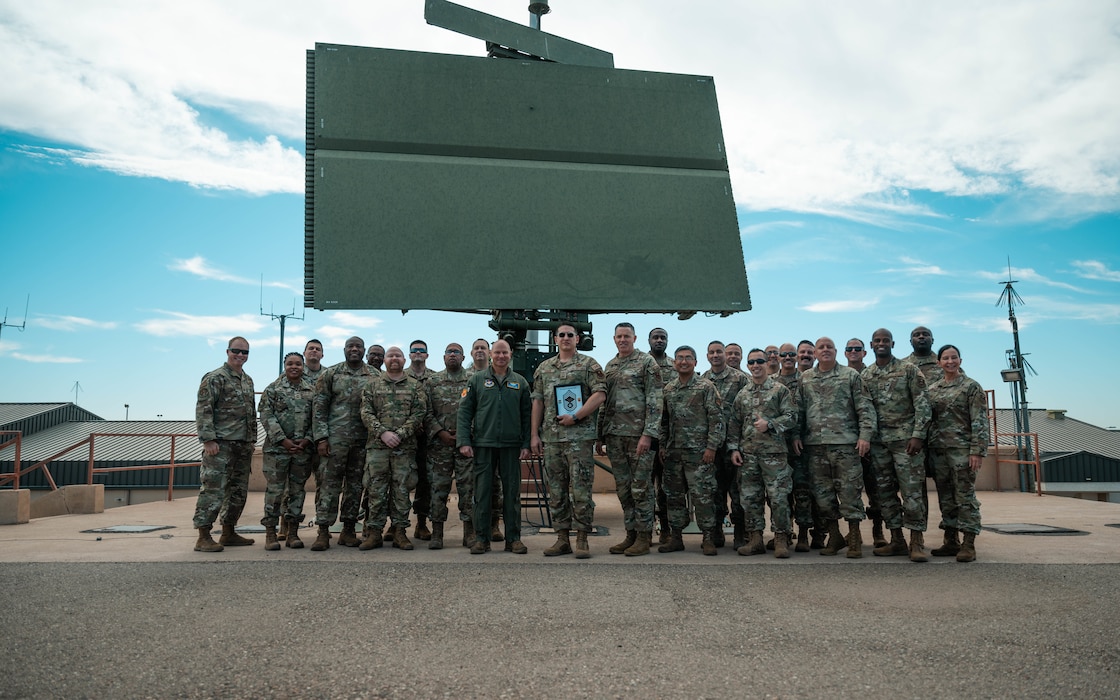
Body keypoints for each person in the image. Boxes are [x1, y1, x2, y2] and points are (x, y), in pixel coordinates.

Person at [792, 337, 876, 558]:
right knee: (822, 496)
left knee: (850, 493)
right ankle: (834, 535)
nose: (825, 350)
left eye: (829, 347)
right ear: (816, 353)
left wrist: (865, 436)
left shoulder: (850, 376)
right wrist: (796, 436)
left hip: (846, 445)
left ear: (836, 351)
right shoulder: (806, 379)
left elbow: (865, 408)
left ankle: (855, 537)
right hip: (815, 447)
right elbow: (798, 410)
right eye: (821, 348)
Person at [531, 324, 607, 558]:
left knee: (581, 489)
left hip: (579, 439)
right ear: (555, 339)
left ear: (577, 339)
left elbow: (600, 394)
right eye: (561, 335)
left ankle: (582, 538)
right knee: (556, 490)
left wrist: (576, 416)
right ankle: (562, 538)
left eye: (570, 335)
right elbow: (538, 401)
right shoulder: (544, 368)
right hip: (552, 440)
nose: (565, 338)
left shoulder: (588, 364)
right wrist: (534, 434)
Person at [862, 329, 932, 562]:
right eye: (877, 341)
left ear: (892, 343)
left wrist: (918, 435)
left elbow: (922, 404)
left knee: (912, 493)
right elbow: (864, 410)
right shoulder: (867, 375)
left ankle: (916, 542)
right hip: (879, 444)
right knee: (885, 494)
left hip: (906, 443)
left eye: (885, 341)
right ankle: (897, 540)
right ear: (872, 345)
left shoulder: (909, 370)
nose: (881, 344)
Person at [457, 339, 533, 554]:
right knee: (482, 494)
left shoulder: (520, 382)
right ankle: (481, 538)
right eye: (497, 352)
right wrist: (464, 441)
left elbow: (527, 416)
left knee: (512, 494)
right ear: (491, 354)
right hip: (484, 444)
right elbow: (464, 412)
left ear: (511, 354)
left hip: (511, 446)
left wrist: (526, 443)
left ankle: (514, 539)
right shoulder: (477, 380)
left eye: (505, 352)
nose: (501, 356)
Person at [595, 322, 663, 557]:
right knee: (624, 489)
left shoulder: (646, 363)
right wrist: (599, 434)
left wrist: (649, 434)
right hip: (615, 437)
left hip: (639, 437)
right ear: (614, 339)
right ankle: (631, 534)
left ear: (635, 338)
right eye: (619, 336)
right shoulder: (610, 366)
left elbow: (655, 400)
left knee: (641, 488)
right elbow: (605, 401)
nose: (623, 340)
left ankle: (645, 537)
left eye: (627, 336)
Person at [727, 349, 797, 558]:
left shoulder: (779, 391)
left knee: (778, 498)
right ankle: (755, 539)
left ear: (767, 363)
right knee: (750, 499)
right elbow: (734, 423)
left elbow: (792, 416)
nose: (756, 365)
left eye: (759, 361)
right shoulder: (743, 394)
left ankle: (781, 539)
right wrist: (733, 449)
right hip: (748, 456)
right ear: (747, 366)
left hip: (774, 455)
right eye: (752, 362)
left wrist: (771, 424)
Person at [192, 336, 257, 552]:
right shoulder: (215, 378)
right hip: (220, 445)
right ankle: (203, 536)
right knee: (213, 490)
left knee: (237, 491)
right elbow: (204, 408)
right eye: (236, 351)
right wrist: (208, 439)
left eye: (244, 352)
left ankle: (229, 532)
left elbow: (251, 413)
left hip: (242, 445)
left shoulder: (247, 380)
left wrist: (252, 440)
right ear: (227, 351)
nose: (240, 355)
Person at [359, 346, 428, 550]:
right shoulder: (372, 385)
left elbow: (419, 413)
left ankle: (400, 532)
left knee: (401, 492)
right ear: (386, 361)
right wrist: (383, 433)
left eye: (398, 355)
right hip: (377, 448)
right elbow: (366, 412)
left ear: (404, 359)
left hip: (404, 448)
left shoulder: (415, 387)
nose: (394, 358)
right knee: (376, 491)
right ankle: (374, 533)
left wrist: (400, 434)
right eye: (391, 356)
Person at [658, 346, 724, 555]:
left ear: (695, 363)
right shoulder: (668, 390)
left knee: (703, 496)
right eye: (680, 358)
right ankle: (676, 537)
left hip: (700, 454)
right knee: (674, 496)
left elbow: (716, 420)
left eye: (688, 358)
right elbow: (664, 422)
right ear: (674, 363)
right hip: (674, 454)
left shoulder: (706, 387)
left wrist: (712, 447)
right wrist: (662, 445)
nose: (683, 362)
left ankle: (708, 538)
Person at [310, 336, 372, 551]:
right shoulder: (331, 374)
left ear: (363, 350)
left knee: (355, 486)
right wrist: (321, 438)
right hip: (334, 441)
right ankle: (323, 532)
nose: (354, 349)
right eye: (350, 346)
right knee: (329, 485)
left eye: (358, 346)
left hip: (362, 441)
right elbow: (319, 408)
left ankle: (348, 530)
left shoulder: (374, 376)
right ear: (344, 350)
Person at [927, 344, 988, 562]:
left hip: (963, 451)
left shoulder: (971, 387)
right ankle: (950, 540)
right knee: (946, 497)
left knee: (965, 496)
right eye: (946, 358)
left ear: (960, 361)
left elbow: (980, 420)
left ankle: (969, 543)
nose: (950, 361)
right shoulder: (933, 389)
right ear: (939, 362)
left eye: (954, 358)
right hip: (939, 451)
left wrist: (977, 451)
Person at [258, 352, 315, 550]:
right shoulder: (273, 389)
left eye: (298, 364)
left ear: (303, 367)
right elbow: (266, 416)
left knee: (297, 491)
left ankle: (292, 532)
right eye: (290, 363)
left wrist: (308, 439)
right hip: (277, 450)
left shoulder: (312, 390)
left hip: (302, 450)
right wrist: (283, 440)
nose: (294, 367)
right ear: (284, 365)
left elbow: (317, 417)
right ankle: (271, 533)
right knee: (275, 491)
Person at [423, 343, 474, 549]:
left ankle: (469, 533)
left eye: (456, 352)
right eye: (449, 352)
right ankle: (437, 533)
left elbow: (479, 410)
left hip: (466, 444)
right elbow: (425, 412)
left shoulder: (473, 380)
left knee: (468, 488)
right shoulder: (432, 382)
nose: (452, 355)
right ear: (443, 357)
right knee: (438, 489)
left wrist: (465, 433)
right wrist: (440, 432)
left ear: (463, 357)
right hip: (439, 445)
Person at [701, 341, 749, 549]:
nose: (716, 355)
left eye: (719, 352)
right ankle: (717, 531)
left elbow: (747, 411)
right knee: (714, 490)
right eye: (712, 352)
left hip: (735, 445)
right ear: (707, 356)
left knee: (738, 491)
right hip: (713, 445)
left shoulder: (740, 379)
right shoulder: (703, 380)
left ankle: (740, 532)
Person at [278, 338, 326, 543]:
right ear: (305, 354)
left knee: (323, 484)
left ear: (322, 354)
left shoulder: (328, 375)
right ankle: (286, 526)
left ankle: (322, 527)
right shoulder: (292, 373)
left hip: (320, 439)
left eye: (318, 349)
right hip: (297, 441)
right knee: (292, 486)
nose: (314, 352)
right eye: (310, 349)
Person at [465, 337, 505, 544]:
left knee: (494, 485)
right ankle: (472, 529)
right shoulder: (465, 377)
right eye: (476, 348)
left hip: (488, 441)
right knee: (470, 487)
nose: (480, 351)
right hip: (468, 442)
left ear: (489, 352)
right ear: (471, 353)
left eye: (483, 348)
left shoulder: (498, 375)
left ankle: (494, 525)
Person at [845, 336, 883, 546]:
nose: (853, 351)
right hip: (849, 445)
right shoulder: (840, 376)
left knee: (875, 490)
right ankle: (854, 534)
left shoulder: (871, 375)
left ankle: (878, 532)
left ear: (864, 352)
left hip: (873, 443)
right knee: (850, 491)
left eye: (857, 348)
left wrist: (866, 436)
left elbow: (868, 410)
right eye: (849, 348)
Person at [406, 340, 436, 541]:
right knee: (399, 481)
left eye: (421, 350)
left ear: (427, 355)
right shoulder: (399, 375)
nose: (418, 353)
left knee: (425, 481)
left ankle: (422, 523)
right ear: (409, 355)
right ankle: (395, 524)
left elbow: (438, 406)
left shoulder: (435, 378)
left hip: (428, 439)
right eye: (414, 350)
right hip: (404, 438)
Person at [648, 327, 674, 543]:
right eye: (655, 337)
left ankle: (666, 529)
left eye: (662, 338)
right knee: (644, 486)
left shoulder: (676, 365)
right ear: (649, 340)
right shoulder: (639, 363)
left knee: (667, 487)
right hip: (645, 435)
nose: (659, 340)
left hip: (670, 436)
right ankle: (644, 531)